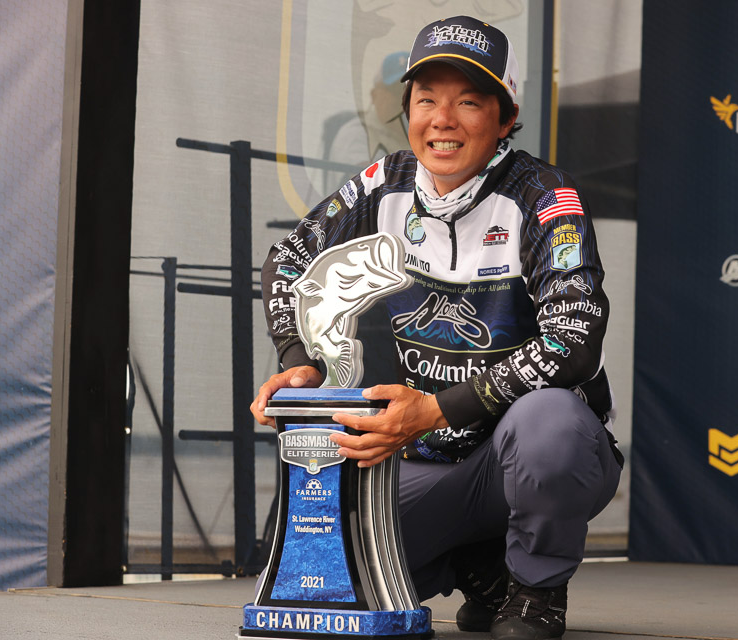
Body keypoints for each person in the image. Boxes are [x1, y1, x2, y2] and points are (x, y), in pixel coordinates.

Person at [250, 16, 622, 640]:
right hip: (435, 459)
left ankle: (535, 590)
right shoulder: (384, 183)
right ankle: (483, 570)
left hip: (534, 450)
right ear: (408, 112)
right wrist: (299, 359)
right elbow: (288, 260)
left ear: (505, 118)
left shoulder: (545, 195)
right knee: (315, 566)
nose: (442, 120)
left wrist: (434, 409)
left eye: (468, 102)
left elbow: (574, 341)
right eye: (426, 100)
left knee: (549, 423)